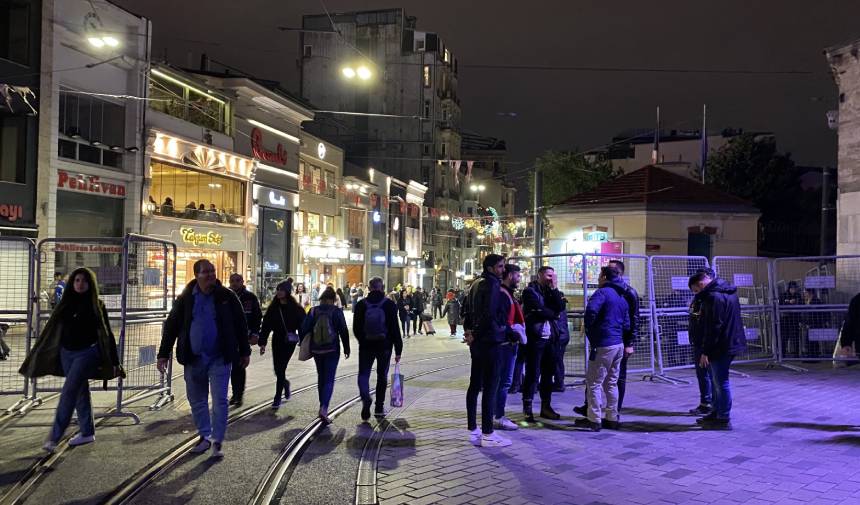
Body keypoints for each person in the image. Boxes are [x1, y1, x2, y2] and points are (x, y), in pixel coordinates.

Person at [20, 268, 123, 452]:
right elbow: (51, 332)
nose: (80, 283)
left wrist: (115, 362)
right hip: (67, 354)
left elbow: (108, 334)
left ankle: (54, 437)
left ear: (90, 284)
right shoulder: (65, 304)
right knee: (79, 391)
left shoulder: (97, 305)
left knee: (68, 392)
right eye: (76, 280)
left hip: (88, 353)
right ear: (72, 283)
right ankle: (87, 432)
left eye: (84, 280)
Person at [157, 259, 251, 458]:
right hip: (194, 358)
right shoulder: (186, 298)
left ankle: (217, 439)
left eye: (212, 271)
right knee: (197, 400)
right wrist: (163, 353)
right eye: (205, 272)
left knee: (220, 400)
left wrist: (245, 351)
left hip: (219, 357)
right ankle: (205, 436)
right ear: (196, 275)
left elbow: (240, 324)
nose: (210, 275)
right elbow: (172, 325)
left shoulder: (227, 296)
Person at [574, 259, 640, 417]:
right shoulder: (621, 293)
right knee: (609, 382)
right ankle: (608, 414)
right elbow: (626, 320)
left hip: (610, 342)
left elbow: (634, 318)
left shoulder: (619, 292)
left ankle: (596, 418)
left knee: (599, 381)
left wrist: (629, 342)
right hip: (616, 340)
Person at [688, 270, 746, 430]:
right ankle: (716, 412)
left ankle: (723, 418)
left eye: (696, 291)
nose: (697, 295)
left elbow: (714, 326)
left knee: (721, 381)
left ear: (700, 284)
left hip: (722, 345)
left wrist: (706, 351)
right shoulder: (727, 292)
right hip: (729, 342)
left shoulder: (713, 297)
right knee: (717, 381)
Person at [463, 254, 511, 447]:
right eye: (500, 267)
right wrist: (476, 333)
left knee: (475, 385)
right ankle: (488, 433)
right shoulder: (491, 284)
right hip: (490, 341)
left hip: (478, 343)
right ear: (491, 268)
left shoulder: (475, 283)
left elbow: (466, 311)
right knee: (491, 386)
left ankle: (473, 430)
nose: (503, 270)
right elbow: (489, 314)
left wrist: (469, 332)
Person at [353, 277, 403, 420]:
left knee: (363, 374)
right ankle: (379, 407)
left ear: (368, 288)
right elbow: (395, 328)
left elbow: (356, 328)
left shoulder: (361, 305)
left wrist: (363, 340)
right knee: (382, 376)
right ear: (382, 288)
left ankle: (365, 398)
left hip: (366, 347)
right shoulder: (389, 305)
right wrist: (398, 349)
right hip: (384, 346)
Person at [521, 266, 565, 422]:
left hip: (551, 337)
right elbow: (539, 310)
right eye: (548, 275)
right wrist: (554, 314)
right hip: (536, 337)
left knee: (548, 373)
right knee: (533, 373)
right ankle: (528, 408)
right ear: (540, 275)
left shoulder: (552, 291)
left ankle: (546, 407)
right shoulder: (530, 291)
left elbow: (561, 307)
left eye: (552, 276)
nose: (550, 279)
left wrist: (554, 290)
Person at [300, 287, 351, 424]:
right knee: (329, 378)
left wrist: (302, 342)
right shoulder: (336, 312)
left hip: (317, 349)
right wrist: (346, 347)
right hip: (332, 349)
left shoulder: (313, 311)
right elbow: (343, 330)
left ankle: (322, 404)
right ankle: (324, 408)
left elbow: (304, 328)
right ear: (332, 300)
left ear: (322, 299)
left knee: (321, 377)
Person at [259, 280, 306, 409]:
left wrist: (303, 340)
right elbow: (266, 326)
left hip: (289, 341)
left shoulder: (296, 309)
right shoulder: (273, 308)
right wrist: (262, 343)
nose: (279, 292)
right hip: (277, 340)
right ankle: (285, 383)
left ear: (287, 292)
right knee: (277, 369)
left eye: (281, 289)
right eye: (278, 289)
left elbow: (303, 325)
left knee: (281, 367)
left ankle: (277, 396)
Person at [495, 264, 526, 431]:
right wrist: (511, 333)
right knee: (504, 381)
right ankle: (497, 416)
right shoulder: (502, 294)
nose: (519, 279)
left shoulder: (507, 293)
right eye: (517, 275)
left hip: (508, 343)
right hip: (505, 344)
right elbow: (500, 319)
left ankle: (497, 414)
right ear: (510, 275)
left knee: (504, 381)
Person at [227, 273, 262, 408]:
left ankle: (238, 394)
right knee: (228, 367)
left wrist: (255, 333)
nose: (234, 283)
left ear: (242, 282)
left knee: (239, 365)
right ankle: (234, 394)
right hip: (228, 337)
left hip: (243, 337)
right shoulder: (226, 296)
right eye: (232, 281)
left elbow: (257, 316)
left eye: (237, 281)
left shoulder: (250, 297)